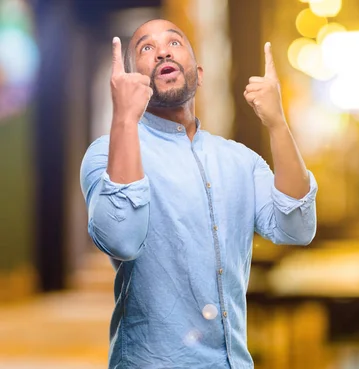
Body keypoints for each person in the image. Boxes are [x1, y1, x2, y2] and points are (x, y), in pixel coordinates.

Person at [80, 19, 317, 369]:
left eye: (174, 43)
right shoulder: (105, 153)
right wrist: (125, 119)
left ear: (199, 73)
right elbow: (121, 239)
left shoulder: (239, 160)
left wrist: (278, 123)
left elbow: (296, 227)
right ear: (133, 81)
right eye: (146, 47)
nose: (162, 50)